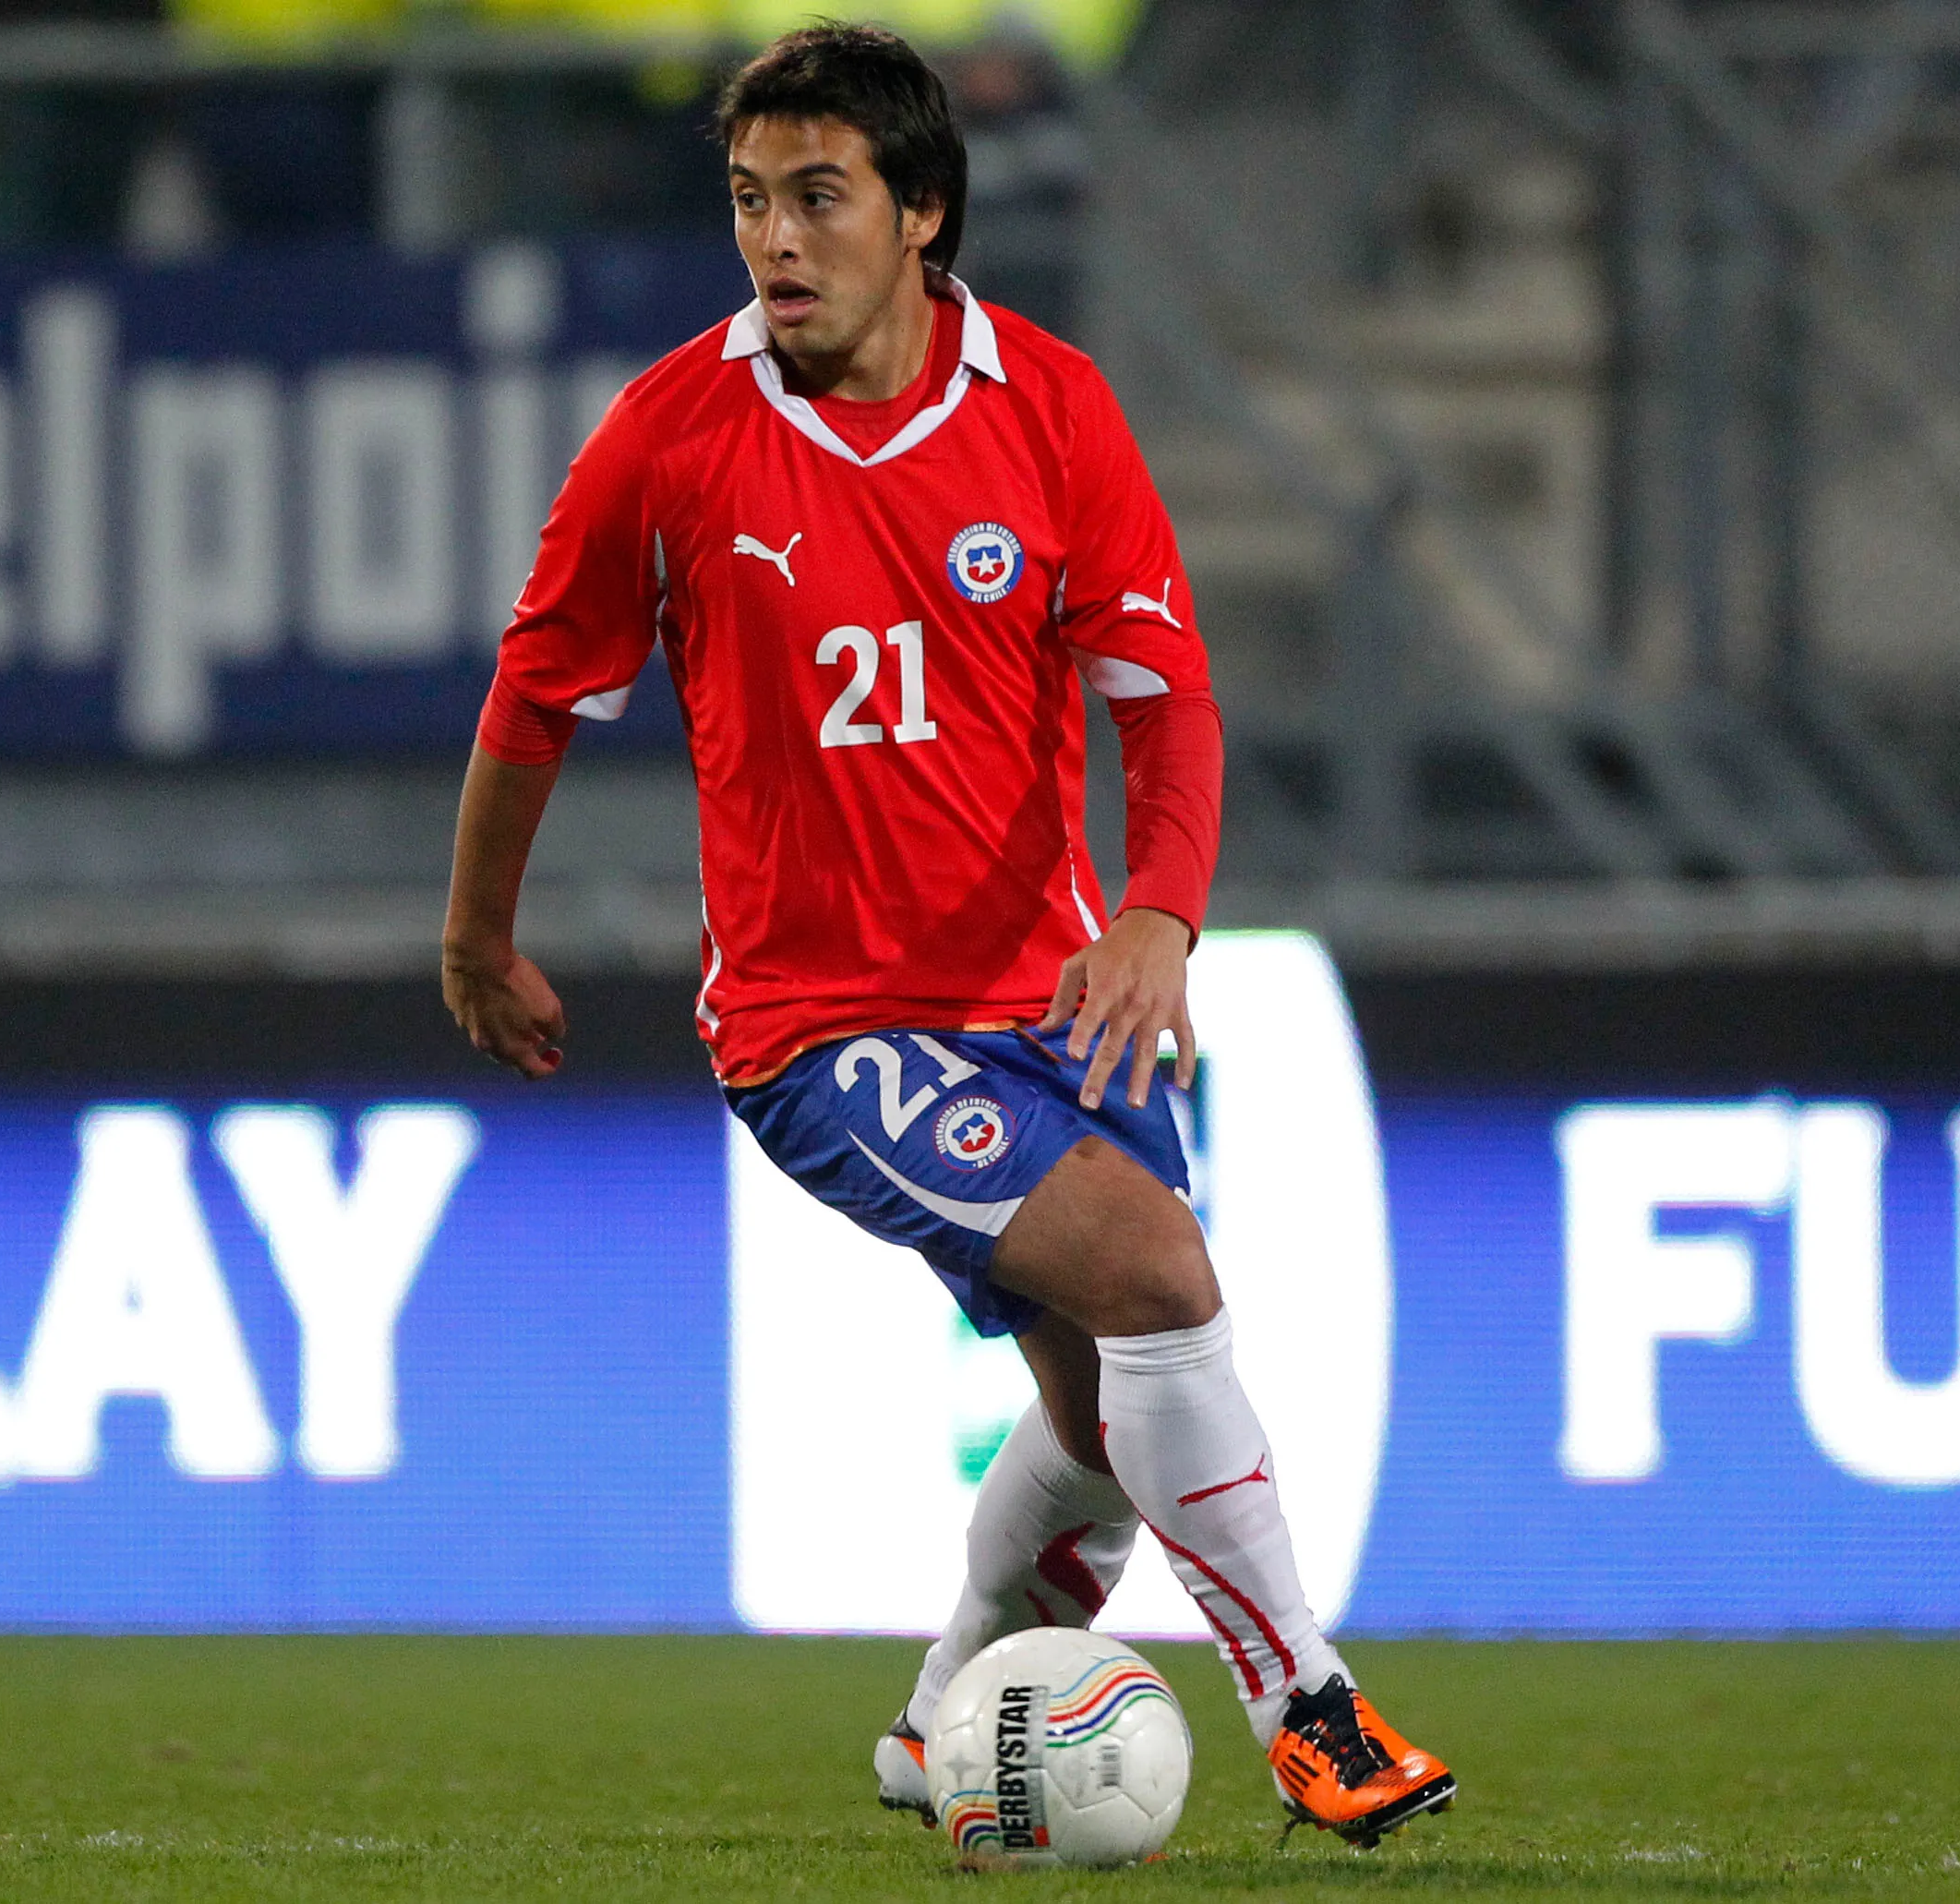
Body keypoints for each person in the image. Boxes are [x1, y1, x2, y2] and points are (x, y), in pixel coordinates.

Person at [441, 21, 1454, 1853]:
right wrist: (473, 938)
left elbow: (1167, 696)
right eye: (748, 199)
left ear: (920, 211)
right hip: (820, 1028)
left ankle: (933, 1725)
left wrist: (1154, 910)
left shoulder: (1047, 406)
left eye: (816, 197)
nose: (774, 239)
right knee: (1154, 1269)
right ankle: (1305, 1697)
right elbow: (533, 693)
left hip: (1049, 996)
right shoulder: (670, 437)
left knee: (1092, 1417)